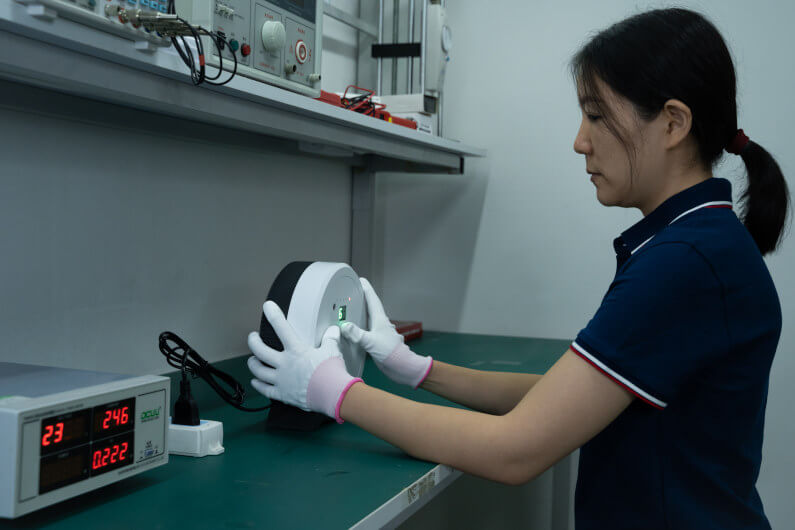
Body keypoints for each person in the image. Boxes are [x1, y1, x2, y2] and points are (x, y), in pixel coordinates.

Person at [246, 8, 788, 529]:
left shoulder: (684, 262)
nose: (580, 140)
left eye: (597, 115)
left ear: (672, 123)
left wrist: (335, 392)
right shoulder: (699, 241)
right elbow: (563, 398)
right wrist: (418, 370)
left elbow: (515, 451)